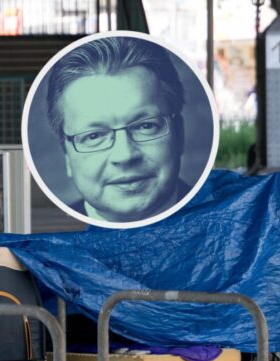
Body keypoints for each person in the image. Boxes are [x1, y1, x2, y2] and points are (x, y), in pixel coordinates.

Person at [45, 36, 190, 223]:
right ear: (66, 154)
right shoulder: (42, 238)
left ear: (179, 135)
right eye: (94, 136)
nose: (124, 156)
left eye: (145, 126)